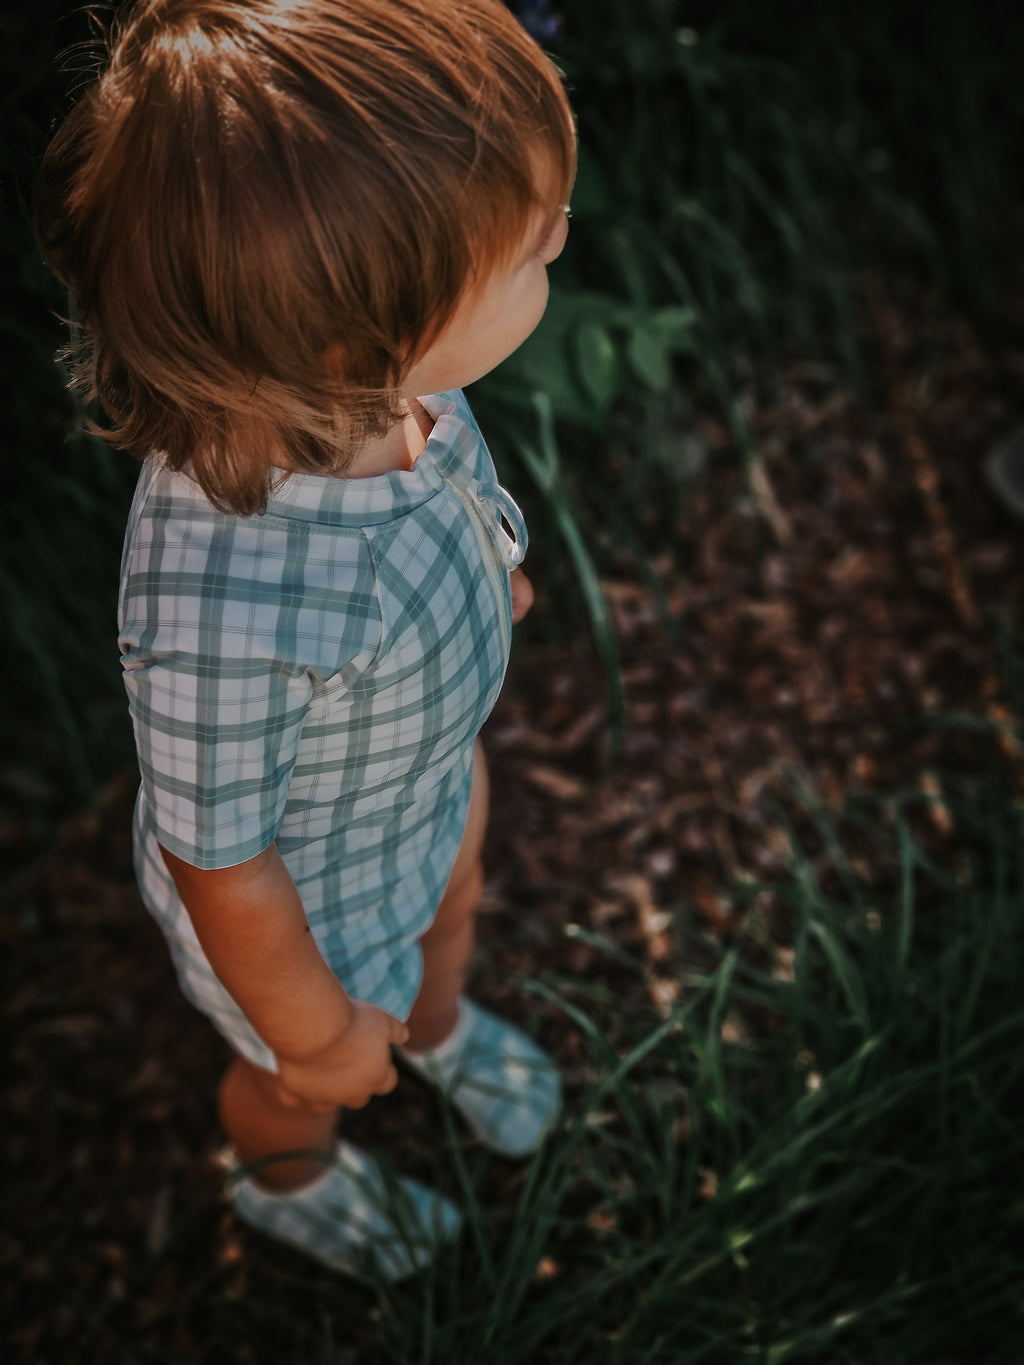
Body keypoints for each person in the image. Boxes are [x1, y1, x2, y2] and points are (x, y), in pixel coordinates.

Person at [35, 0, 575, 1282]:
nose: (560, 235)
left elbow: (449, 497)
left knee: (451, 912)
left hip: (427, 787)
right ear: (358, 333)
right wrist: (315, 1026)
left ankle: (433, 1025)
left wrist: (494, 572)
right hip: (302, 920)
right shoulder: (225, 600)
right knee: (297, 1083)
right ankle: (291, 1172)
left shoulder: (401, 389)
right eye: (532, 251)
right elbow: (221, 860)